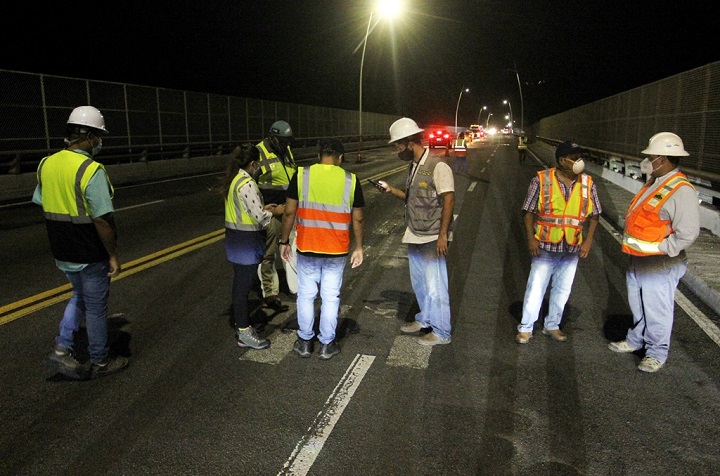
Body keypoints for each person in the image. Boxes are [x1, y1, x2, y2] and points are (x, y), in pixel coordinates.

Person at [34, 106, 129, 380]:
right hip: (89, 251)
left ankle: (62, 348)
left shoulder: (46, 164)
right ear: (87, 136)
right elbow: (102, 220)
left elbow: (43, 201)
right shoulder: (91, 169)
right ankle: (100, 361)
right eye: (98, 136)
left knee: (79, 297)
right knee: (97, 307)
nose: (100, 141)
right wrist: (112, 255)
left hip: (62, 250)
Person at [608, 132, 700, 373]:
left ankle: (657, 352)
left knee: (657, 309)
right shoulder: (654, 182)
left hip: (660, 262)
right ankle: (636, 340)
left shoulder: (681, 190)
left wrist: (662, 249)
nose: (648, 160)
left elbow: (688, 233)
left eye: (652, 156)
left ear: (664, 159)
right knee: (638, 304)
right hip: (639, 260)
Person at [279, 139, 364, 360]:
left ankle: (305, 341)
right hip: (336, 250)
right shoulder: (350, 180)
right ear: (341, 158)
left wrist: (284, 241)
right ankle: (327, 344)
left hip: (308, 247)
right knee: (330, 296)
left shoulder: (302, 175)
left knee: (306, 295)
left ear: (319, 156)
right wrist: (359, 247)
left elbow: (289, 212)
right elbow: (359, 218)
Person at [376, 117, 455, 346]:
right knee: (420, 282)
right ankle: (425, 319)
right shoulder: (414, 165)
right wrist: (391, 190)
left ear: (410, 142)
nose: (396, 151)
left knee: (436, 285)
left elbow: (448, 199)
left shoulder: (437, 166)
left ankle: (442, 332)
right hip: (415, 232)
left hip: (432, 235)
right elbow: (411, 198)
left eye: (398, 146)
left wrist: (442, 235)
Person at [515, 140, 602, 344]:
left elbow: (595, 215)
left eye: (580, 157)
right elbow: (527, 212)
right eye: (574, 158)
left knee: (563, 289)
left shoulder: (588, 183)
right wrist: (531, 239)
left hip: (572, 247)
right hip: (545, 245)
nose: (578, 161)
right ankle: (526, 328)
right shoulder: (542, 180)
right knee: (536, 287)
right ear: (562, 160)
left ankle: (552, 325)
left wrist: (588, 241)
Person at [222, 144, 286, 350]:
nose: (258, 167)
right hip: (246, 243)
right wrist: (276, 212)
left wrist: (262, 208)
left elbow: (248, 209)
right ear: (252, 163)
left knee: (240, 286)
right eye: (257, 164)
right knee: (242, 289)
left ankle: (242, 326)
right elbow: (259, 218)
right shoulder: (247, 183)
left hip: (235, 240)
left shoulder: (234, 179)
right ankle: (244, 331)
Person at [254, 120, 298, 312]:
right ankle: (270, 294)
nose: (286, 144)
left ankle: (295, 287)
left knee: (292, 249)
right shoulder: (259, 153)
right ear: (272, 137)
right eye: (282, 140)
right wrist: (264, 208)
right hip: (270, 212)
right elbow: (250, 185)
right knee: (268, 253)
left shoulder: (285, 150)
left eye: (288, 141)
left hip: (289, 209)